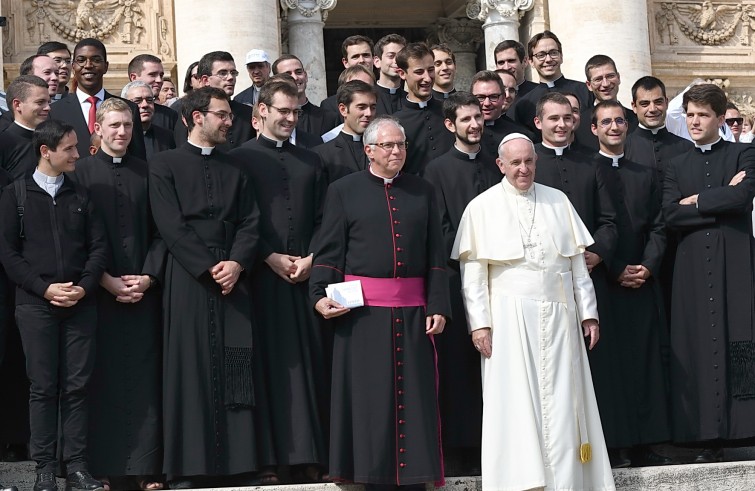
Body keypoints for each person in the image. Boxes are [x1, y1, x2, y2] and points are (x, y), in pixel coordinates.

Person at [451, 132, 615, 491]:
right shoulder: (482, 207)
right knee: (514, 400)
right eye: (515, 163)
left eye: (529, 161)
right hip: (508, 318)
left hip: (560, 317)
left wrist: (588, 313)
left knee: (564, 399)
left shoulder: (558, 202)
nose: (523, 169)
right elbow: (474, 276)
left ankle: (568, 480)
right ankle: (520, 481)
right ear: (501, 165)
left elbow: (576, 266)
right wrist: (480, 325)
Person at [310, 115, 451, 489]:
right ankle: (367, 474)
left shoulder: (423, 190)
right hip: (363, 317)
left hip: (413, 313)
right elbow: (328, 252)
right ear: (368, 150)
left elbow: (436, 253)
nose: (396, 151)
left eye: (401, 144)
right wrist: (318, 296)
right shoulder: (344, 190)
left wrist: (438, 304)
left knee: (416, 399)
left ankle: (416, 475)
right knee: (369, 400)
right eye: (388, 145)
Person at [148, 86, 261, 488]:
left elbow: (251, 222)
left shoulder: (237, 167)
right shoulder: (163, 165)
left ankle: (240, 461)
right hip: (189, 274)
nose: (230, 122)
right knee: (189, 365)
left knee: (237, 363)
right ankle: (189, 464)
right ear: (197, 117)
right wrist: (207, 266)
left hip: (233, 272)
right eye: (223, 115)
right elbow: (169, 224)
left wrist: (237, 262)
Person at [0, 119, 108, 491]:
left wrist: (83, 287)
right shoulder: (15, 195)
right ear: (46, 152)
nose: (78, 154)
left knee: (77, 386)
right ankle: (44, 468)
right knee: (43, 387)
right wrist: (44, 290)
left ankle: (76, 467)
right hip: (35, 306)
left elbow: (98, 248)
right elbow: (8, 254)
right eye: (70, 148)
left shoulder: (81, 195)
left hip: (80, 304)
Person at [230, 77, 328, 483]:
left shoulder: (313, 161)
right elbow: (239, 219)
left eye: (295, 112)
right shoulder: (238, 159)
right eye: (282, 111)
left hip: (304, 277)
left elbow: (326, 218)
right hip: (260, 278)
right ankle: (268, 458)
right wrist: (268, 256)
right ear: (261, 113)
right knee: (266, 366)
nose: (290, 118)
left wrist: (310, 257)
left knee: (310, 365)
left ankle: (311, 456)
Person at [73, 98, 165, 491]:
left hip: (143, 293)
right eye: (113, 125)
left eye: (127, 125)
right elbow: (74, 239)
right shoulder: (79, 174)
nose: (121, 132)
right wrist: (105, 280)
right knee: (102, 379)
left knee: (146, 378)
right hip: (98, 295)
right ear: (98, 129)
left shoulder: (149, 173)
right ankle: (105, 467)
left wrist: (147, 277)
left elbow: (164, 233)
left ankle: (145, 467)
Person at [663, 83, 755, 463]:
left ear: (721, 118)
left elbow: (744, 196)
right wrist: (722, 196)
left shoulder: (742, 152)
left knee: (742, 341)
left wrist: (698, 199)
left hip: (734, 263)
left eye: (703, 114)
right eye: (690, 114)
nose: (695, 121)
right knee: (696, 344)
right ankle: (701, 434)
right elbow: (670, 213)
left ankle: (744, 429)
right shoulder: (675, 162)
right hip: (692, 271)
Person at [590, 100, 672, 467]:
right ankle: (617, 444)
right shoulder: (586, 171)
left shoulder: (645, 173)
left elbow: (658, 225)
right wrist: (616, 267)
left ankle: (649, 441)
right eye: (605, 122)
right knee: (611, 364)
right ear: (593, 129)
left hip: (641, 278)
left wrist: (649, 265)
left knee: (645, 361)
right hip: (605, 281)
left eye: (619, 121)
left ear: (628, 125)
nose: (613, 127)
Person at [423, 92, 500, 476]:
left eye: (478, 118)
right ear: (450, 124)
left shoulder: (495, 165)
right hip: (457, 279)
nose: (475, 125)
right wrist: (472, 256)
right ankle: (459, 448)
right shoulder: (436, 170)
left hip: (499, 280)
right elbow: (439, 226)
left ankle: (497, 443)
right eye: (466, 119)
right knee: (458, 368)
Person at [624, 76, 693, 317]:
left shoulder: (686, 147)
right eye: (644, 104)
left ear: (666, 102)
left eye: (658, 102)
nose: (652, 109)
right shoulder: (624, 147)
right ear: (634, 107)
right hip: (640, 246)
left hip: (681, 242)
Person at [49, 38, 146, 160]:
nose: (88, 65)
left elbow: (138, 158)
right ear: (73, 66)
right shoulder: (54, 111)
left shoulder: (129, 108)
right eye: (81, 60)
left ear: (105, 66)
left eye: (96, 60)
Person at [512, 30, 592, 135]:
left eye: (553, 53)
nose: (548, 59)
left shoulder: (586, 91)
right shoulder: (524, 104)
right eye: (541, 55)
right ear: (531, 61)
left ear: (561, 56)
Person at [173, 51, 254, 150]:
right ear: (205, 80)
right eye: (223, 73)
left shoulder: (248, 113)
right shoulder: (185, 110)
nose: (230, 78)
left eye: (233, 73)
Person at [394, 42, 454, 175]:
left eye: (430, 70)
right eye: (419, 72)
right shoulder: (395, 122)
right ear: (402, 74)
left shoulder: (450, 112)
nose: (427, 78)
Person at [314, 80, 377, 183]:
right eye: (361, 107)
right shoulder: (322, 154)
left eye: (373, 107)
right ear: (343, 109)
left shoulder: (382, 149)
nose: (369, 113)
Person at [573, 55, 637, 150]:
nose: (606, 84)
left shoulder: (636, 120)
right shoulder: (579, 124)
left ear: (618, 78)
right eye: (598, 79)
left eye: (610, 76)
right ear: (589, 85)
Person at [272, 55, 339, 139]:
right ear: (276, 81)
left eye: (298, 72)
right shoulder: (269, 118)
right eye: (287, 74)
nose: (295, 77)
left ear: (306, 76)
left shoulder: (329, 118)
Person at [471, 70, 533, 156]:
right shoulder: (461, 134)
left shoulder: (521, 134)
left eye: (493, 97)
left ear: (503, 98)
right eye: (481, 97)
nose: (487, 103)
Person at [0, 76, 51, 179]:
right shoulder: (3, 143)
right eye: (40, 102)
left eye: (48, 102)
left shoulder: (53, 139)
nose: (48, 108)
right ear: (17, 104)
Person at [122, 80, 176, 159]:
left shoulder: (167, 137)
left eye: (149, 100)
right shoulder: (119, 136)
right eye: (137, 101)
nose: (145, 105)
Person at [128, 54, 178, 131]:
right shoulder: (115, 112)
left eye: (161, 75)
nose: (159, 80)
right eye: (152, 75)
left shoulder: (170, 116)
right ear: (134, 78)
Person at [373, 34, 407, 114]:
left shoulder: (410, 99)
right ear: (377, 62)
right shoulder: (368, 97)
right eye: (391, 56)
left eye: (400, 56)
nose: (396, 61)